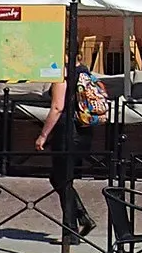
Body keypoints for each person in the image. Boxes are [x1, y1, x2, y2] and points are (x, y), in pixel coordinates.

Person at [35, 55, 110, 240]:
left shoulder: (64, 75)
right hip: (84, 131)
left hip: (67, 132)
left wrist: (43, 135)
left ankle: (71, 232)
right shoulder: (85, 72)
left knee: (63, 180)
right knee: (60, 178)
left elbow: (57, 107)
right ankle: (81, 218)